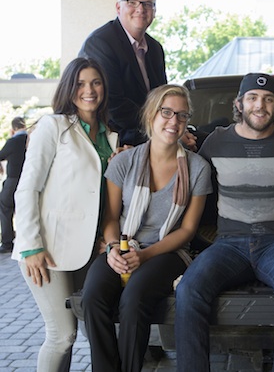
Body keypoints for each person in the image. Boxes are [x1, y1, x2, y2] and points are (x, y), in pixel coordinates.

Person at [174, 73, 274, 372]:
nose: (259, 105)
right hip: (228, 244)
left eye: (268, 99)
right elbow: (186, 173)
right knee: (188, 290)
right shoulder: (216, 141)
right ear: (239, 103)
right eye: (252, 98)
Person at [81, 84, 212, 371]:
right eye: (166, 112)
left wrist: (145, 255)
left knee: (135, 297)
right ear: (151, 115)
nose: (174, 121)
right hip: (124, 246)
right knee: (92, 298)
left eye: (181, 115)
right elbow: (111, 218)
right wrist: (115, 248)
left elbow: (187, 230)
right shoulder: (124, 162)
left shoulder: (198, 168)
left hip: (168, 251)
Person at [12, 57, 118, 372]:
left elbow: (100, 197)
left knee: (76, 333)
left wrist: (103, 238)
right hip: (48, 251)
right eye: (81, 83)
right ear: (69, 88)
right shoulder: (53, 126)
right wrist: (31, 245)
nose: (89, 90)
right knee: (62, 334)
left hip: (89, 251)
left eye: (95, 82)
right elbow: (27, 188)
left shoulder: (110, 136)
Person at [79, 0, 167, 147]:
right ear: (118, 7)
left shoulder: (155, 49)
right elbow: (113, 105)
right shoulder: (101, 43)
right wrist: (160, 129)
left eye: (147, 4)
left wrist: (173, 125)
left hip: (149, 135)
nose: (140, 9)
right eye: (132, 2)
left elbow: (162, 97)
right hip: (114, 139)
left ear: (154, 11)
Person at [0, 116, 27, 254]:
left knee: (5, 208)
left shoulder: (13, 141)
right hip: (29, 180)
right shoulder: (31, 139)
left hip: (14, 180)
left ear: (13, 129)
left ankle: (7, 243)